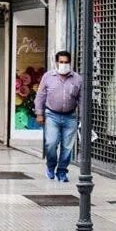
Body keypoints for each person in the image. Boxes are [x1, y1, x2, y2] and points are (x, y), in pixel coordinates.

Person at [34, 50, 82, 183]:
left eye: (66, 62)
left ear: (70, 63)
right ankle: (50, 166)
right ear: (56, 62)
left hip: (70, 116)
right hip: (52, 115)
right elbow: (40, 96)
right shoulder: (48, 77)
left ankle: (62, 172)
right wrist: (39, 113)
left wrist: (82, 118)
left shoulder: (77, 79)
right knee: (51, 143)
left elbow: (81, 99)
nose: (64, 64)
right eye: (61, 62)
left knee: (67, 147)